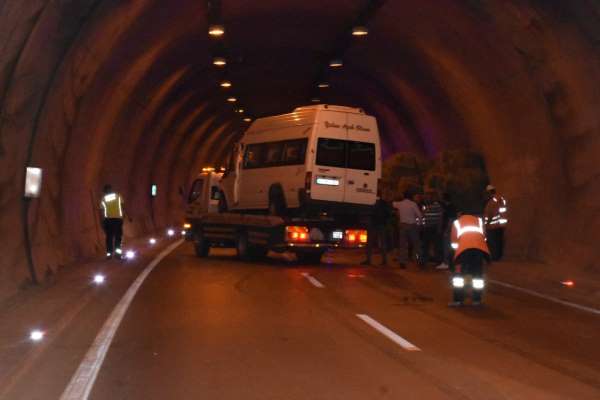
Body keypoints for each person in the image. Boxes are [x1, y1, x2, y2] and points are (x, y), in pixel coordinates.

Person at [449, 213, 491, 306]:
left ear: (460, 215)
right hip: (479, 250)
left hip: (463, 251)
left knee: (459, 278)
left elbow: (454, 243)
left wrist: (456, 258)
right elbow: (484, 237)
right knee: (477, 277)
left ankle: (458, 300)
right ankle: (477, 300)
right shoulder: (479, 221)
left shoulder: (457, 222)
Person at [393, 190, 423, 268]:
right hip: (412, 225)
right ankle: (419, 260)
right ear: (411, 197)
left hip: (403, 226)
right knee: (416, 244)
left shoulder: (400, 204)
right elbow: (420, 215)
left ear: (404, 196)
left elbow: (392, 203)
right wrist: (419, 224)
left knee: (402, 245)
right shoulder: (413, 204)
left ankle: (402, 262)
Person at [362, 198, 393, 266]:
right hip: (382, 225)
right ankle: (384, 260)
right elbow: (389, 214)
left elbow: (369, 212)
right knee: (383, 243)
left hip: (374, 224)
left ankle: (368, 260)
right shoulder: (385, 204)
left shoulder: (372, 202)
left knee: (370, 242)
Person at [100, 184, 126, 259]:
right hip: (118, 219)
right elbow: (122, 206)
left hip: (108, 220)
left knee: (109, 237)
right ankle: (118, 254)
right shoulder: (118, 196)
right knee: (118, 237)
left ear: (105, 191)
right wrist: (123, 216)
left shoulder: (103, 199)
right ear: (111, 189)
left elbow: (101, 211)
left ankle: (109, 254)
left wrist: (102, 221)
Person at [483, 185, 508, 261]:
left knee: (493, 243)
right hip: (501, 225)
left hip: (492, 226)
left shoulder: (491, 202)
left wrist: (486, 224)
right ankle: (498, 257)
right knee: (499, 242)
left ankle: (494, 258)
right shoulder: (501, 199)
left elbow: (489, 214)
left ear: (489, 193)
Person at [420, 190, 444, 266]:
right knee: (425, 245)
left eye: (429, 196)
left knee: (436, 245)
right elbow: (423, 216)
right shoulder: (425, 206)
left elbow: (440, 217)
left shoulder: (437, 205)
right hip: (427, 227)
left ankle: (438, 261)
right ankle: (424, 261)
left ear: (433, 197)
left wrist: (439, 228)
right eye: (426, 196)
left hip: (434, 227)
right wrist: (422, 225)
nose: (427, 198)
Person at [436, 193, 457, 270]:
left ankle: (446, 263)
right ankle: (451, 263)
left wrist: (446, 231)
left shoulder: (449, 208)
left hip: (449, 230)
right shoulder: (451, 207)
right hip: (452, 230)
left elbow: (451, 220)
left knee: (446, 246)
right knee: (450, 247)